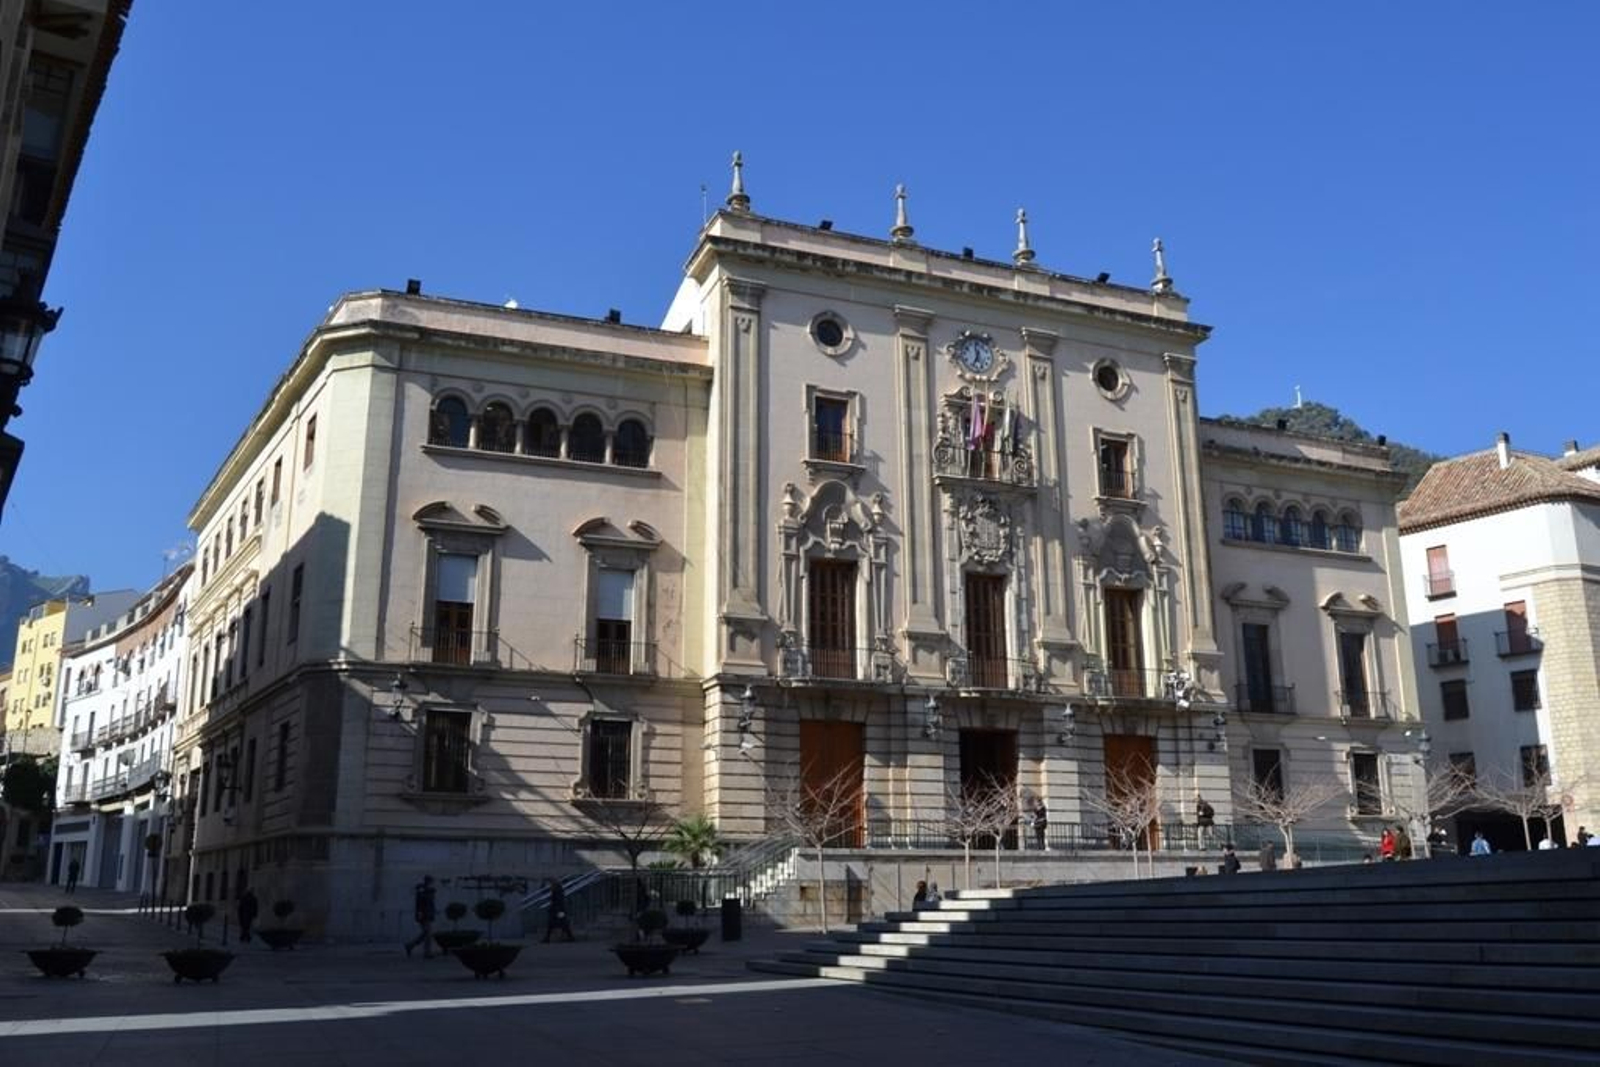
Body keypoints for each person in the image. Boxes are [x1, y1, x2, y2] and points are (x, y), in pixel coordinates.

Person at [404, 875, 437, 958]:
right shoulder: (422, 890)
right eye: (430, 881)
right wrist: (420, 914)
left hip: (428, 915)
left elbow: (431, 904)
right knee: (428, 934)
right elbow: (420, 903)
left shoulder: (429, 891)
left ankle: (410, 945)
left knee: (425, 934)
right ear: (427, 881)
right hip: (424, 915)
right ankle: (427, 952)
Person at [542, 877, 574, 943]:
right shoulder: (558, 889)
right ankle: (570, 937)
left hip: (558, 910)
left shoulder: (557, 889)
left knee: (556, 923)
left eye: (551, 883)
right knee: (562, 923)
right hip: (559, 910)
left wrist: (555, 909)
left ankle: (547, 938)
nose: (550, 885)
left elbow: (557, 900)